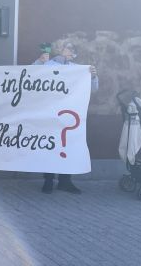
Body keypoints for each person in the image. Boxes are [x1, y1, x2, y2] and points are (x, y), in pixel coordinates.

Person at [41, 42, 98, 194]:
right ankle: (48, 180)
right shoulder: (47, 64)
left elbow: (94, 88)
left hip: (70, 117)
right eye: (68, 47)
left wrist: (93, 76)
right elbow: (33, 76)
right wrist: (40, 62)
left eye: (73, 49)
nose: (71, 50)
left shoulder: (77, 69)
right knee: (51, 147)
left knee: (69, 147)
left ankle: (65, 181)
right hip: (51, 115)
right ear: (60, 50)